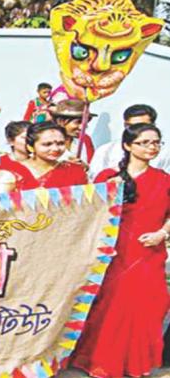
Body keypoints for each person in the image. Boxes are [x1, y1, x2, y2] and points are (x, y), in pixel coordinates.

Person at [70, 123, 170, 378]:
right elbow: (88, 213)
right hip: (113, 252)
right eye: (144, 142)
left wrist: (162, 233)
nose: (152, 147)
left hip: (148, 253)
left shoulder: (163, 179)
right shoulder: (107, 176)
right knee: (108, 307)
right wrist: (107, 192)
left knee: (147, 307)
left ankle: (137, 364)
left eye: (156, 142)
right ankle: (101, 362)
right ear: (127, 145)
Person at [0, 121, 88, 192]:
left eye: (60, 143)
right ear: (31, 146)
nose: (55, 149)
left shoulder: (74, 170)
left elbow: (88, 203)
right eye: (47, 144)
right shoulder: (11, 173)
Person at [90, 104, 170, 177]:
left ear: (153, 125)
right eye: (132, 126)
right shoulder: (106, 151)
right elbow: (95, 184)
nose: (138, 130)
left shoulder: (163, 153)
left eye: (143, 126)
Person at [52, 99, 95, 163]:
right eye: (78, 122)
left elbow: (92, 166)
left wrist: (85, 167)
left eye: (85, 123)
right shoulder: (45, 141)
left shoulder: (85, 140)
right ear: (60, 121)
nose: (82, 127)